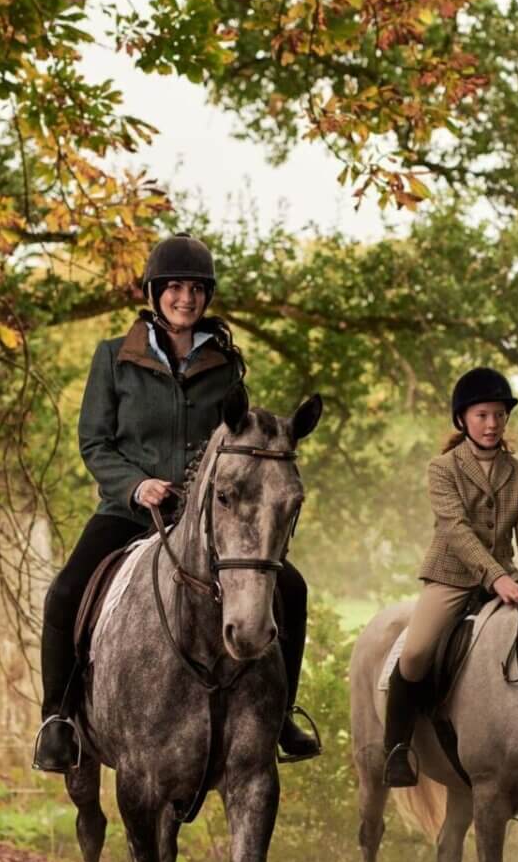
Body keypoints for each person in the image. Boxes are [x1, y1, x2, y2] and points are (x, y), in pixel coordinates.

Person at [32, 233, 322, 773]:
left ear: (206, 296)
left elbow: (235, 442)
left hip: (203, 518)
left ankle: (280, 716)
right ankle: (58, 720)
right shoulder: (112, 358)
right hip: (129, 511)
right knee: (65, 591)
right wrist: (136, 485)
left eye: (195, 289)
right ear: (154, 292)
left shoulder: (228, 364)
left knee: (291, 587)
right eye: (174, 288)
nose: (185, 299)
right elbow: (95, 442)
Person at [383, 367, 518, 788]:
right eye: (482, 415)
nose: (492, 424)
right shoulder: (442, 468)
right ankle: (397, 748)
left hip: (506, 575)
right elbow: (456, 530)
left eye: (498, 415)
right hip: (452, 575)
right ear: (463, 420)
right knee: (417, 653)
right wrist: (495, 579)